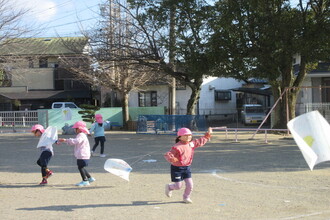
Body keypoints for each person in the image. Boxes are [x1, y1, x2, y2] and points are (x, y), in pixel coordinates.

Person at [164, 127, 212, 204]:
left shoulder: (191, 144)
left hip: (187, 168)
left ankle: (186, 197)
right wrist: (172, 158)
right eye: (186, 135)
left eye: (190, 135)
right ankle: (169, 187)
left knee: (190, 185)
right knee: (178, 186)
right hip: (176, 169)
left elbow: (200, 141)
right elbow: (168, 154)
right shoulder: (176, 147)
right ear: (179, 137)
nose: (188, 137)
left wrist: (207, 135)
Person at [58, 121, 96, 186]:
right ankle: (89, 178)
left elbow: (76, 141)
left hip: (82, 154)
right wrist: (66, 140)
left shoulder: (81, 135)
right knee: (82, 167)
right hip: (84, 154)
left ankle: (85, 180)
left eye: (75, 128)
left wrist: (65, 140)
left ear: (79, 129)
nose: (74, 130)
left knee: (80, 167)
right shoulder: (82, 135)